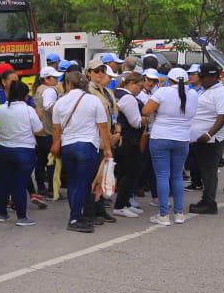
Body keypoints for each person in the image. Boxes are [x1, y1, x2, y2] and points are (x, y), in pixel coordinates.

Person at [50, 71, 112, 233]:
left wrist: (55, 146)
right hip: (87, 146)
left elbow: (56, 130)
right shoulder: (94, 101)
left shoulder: (60, 102)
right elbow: (103, 128)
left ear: (69, 84)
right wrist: (108, 148)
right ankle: (75, 217)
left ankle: (76, 214)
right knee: (83, 183)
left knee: (72, 182)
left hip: (68, 146)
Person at [141, 67, 199, 225]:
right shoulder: (193, 94)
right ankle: (179, 213)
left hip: (160, 137)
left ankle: (164, 214)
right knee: (177, 176)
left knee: (162, 176)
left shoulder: (163, 92)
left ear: (168, 79)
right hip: (182, 138)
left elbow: (146, 111)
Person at [0, 80, 43, 226]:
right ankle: (21, 217)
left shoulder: (1, 109)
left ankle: (2, 213)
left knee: (3, 182)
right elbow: (38, 129)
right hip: (24, 151)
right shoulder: (28, 110)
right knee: (20, 184)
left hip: (3, 149)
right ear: (25, 95)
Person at [188, 62, 224, 215]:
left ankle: (209, 203)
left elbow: (223, 116)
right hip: (202, 139)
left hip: (213, 140)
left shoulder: (221, 92)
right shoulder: (205, 90)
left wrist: (209, 134)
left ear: (212, 77)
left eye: (202, 77)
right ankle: (206, 200)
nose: (199, 79)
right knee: (205, 170)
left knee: (209, 171)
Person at [85, 56, 122, 224]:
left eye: (103, 71)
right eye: (97, 71)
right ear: (89, 73)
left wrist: (118, 131)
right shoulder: (88, 90)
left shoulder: (107, 91)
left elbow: (115, 113)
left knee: (104, 176)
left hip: (109, 137)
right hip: (95, 139)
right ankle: (91, 211)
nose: (100, 74)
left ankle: (100, 209)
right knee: (93, 176)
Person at [111, 72, 146, 218]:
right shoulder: (129, 98)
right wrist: (146, 119)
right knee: (130, 173)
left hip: (121, 139)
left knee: (125, 172)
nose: (140, 90)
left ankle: (125, 203)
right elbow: (135, 122)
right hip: (129, 139)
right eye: (139, 86)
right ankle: (120, 205)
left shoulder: (116, 93)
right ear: (131, 83)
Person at [31, 66, 62, 203]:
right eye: (54, 77)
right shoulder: (49, 90)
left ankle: (41, 187)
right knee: (52, 161)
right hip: (48, 130)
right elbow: (50, 106)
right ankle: (51, 189)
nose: (57, 79)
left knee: (41, 160)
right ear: (47, 79)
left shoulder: (38, 89)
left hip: (39, 131)